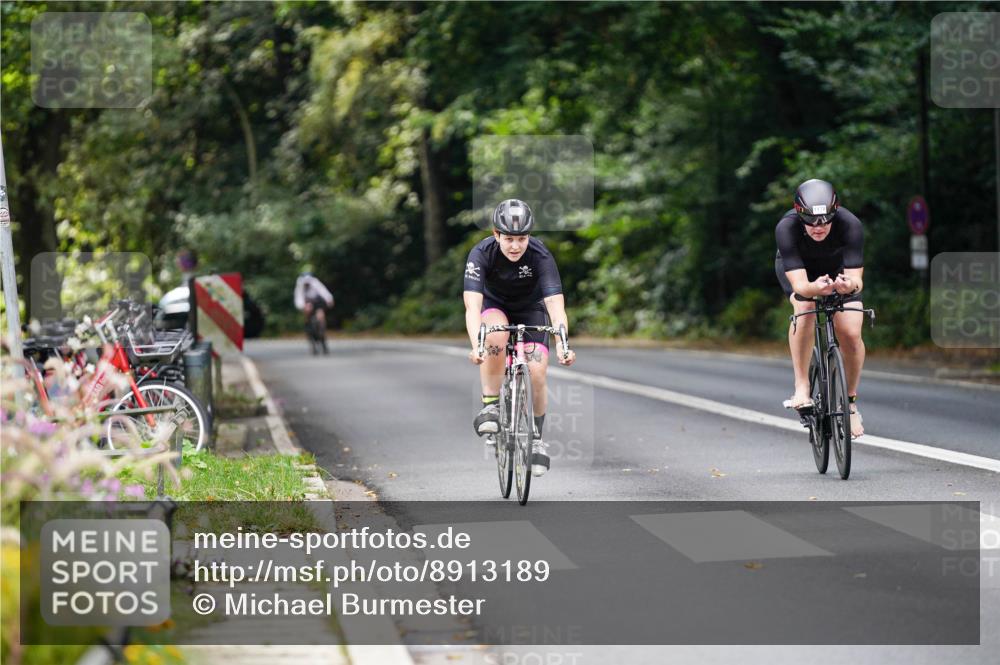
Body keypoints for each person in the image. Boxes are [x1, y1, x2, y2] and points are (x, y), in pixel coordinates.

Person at [463, 199, 577, 477]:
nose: (515, 246)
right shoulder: (481, 253)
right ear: (496, 235)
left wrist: (563, 344)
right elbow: (472, 306)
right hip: (494, 306)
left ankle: (537, 440)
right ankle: (490, 406)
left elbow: (555, 305)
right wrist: (476, 344)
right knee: (496, 334)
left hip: (531, 308)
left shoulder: (539, 254)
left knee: (537, 371)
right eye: (509, 239)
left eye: (522, 239)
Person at [775, 179, 866, 437]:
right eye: (811, 221)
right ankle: (801, 385)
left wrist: (848, 285)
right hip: (800, 273)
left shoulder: (851, 225)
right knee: (804, 310)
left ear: (835, 213)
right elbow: (802, 286)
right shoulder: (786, 227)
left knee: (850, 331)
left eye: (826, 220)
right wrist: (815, 289)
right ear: (799, 213)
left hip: (838, 271)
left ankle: (849, 404)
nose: (819, 227)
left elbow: (856, 279)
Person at [294, 270, 334, 352]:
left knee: (320, 317)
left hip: (317, 302)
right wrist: (303, 307)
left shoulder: (315, 282)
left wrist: (329, 299)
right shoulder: (300, 284)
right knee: (307, 317)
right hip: (307, 303)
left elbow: (323, 291)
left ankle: (322, 334)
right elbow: (298, 297)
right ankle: (310, 335)